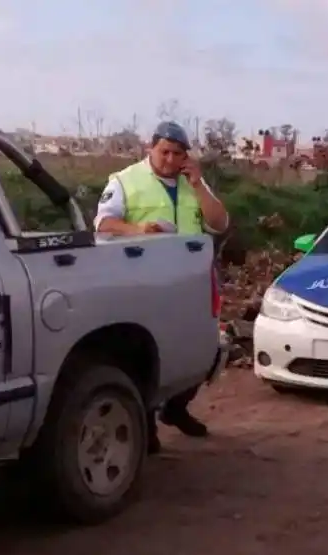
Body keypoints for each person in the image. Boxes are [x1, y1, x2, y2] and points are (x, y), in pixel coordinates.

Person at [94, 121, 229, 454]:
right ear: (150, 149)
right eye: (164, 151)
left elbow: (220, 223)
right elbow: (103, 224)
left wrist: (198, 185)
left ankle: (176, 407)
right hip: (146, 280)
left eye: (177, 153)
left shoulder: (191, 183)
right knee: (149, 350)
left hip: (191, 279)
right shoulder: (125, 181)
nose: (170, 159)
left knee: (203, 346)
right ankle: (148, 422)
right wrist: (138, 229)